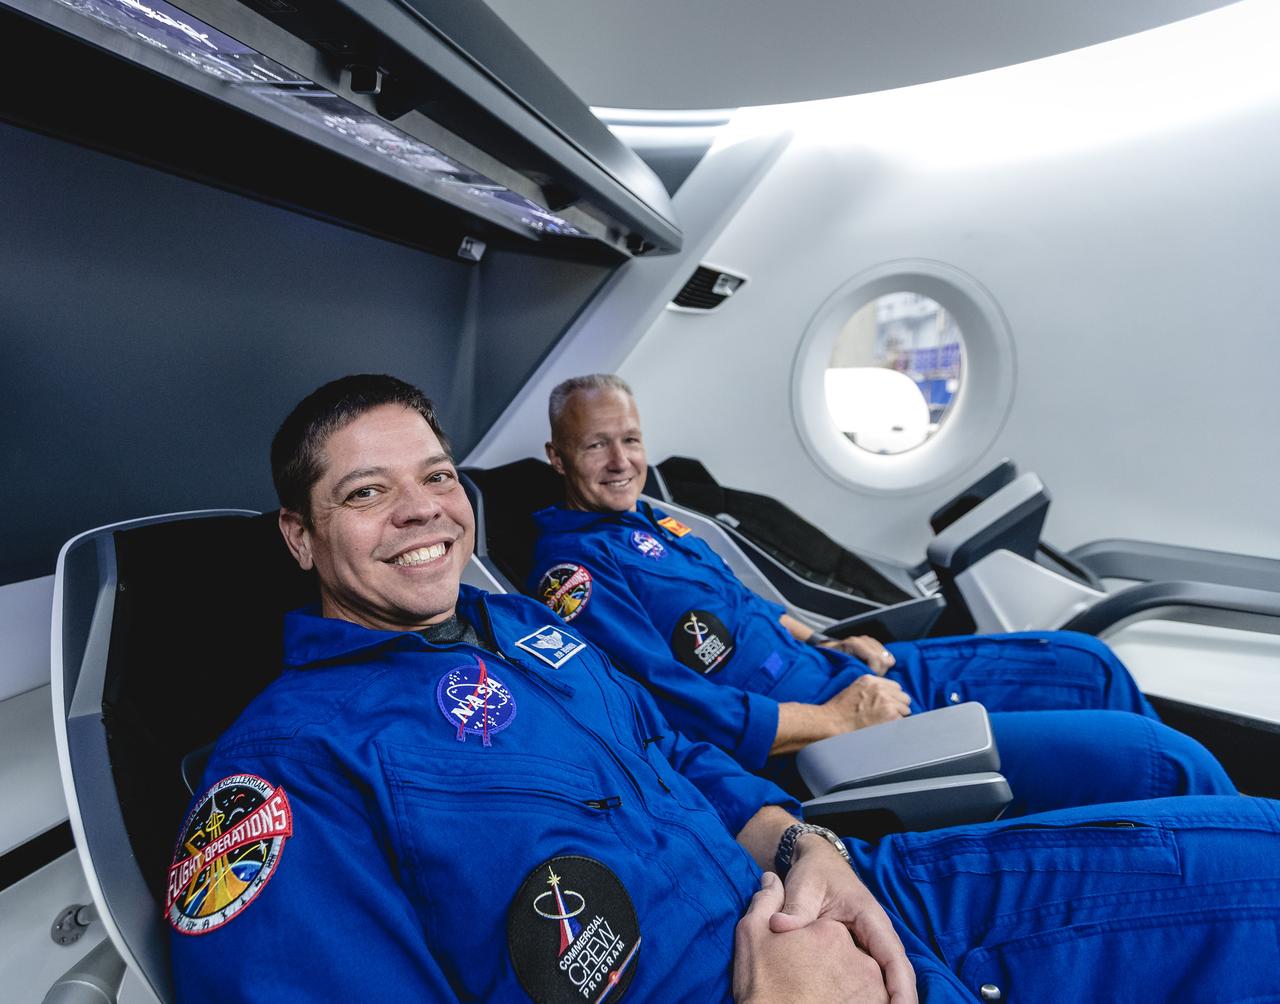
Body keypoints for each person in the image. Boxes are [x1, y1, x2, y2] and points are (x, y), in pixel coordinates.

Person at [168, 374, 1280, 1004]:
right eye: (369, 491)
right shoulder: (283, 776)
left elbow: (678, 752)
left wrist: (811, 854)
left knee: (1250, 852)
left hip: (854, 901)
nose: (422, 510)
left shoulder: (513, 625)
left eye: (437, 476)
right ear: (300, 536)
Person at [528, 374, 1233, 812]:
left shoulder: (654, 518)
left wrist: (825, 637)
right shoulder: (574, 573)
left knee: (1089, 662)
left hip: (846, 673)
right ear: (559, 457)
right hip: (817, 737)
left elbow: (746, 609)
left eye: (631, 439)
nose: (622, 462)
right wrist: (835, 719)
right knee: (1164, 762)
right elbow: (676, 705)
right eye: (596, 447)